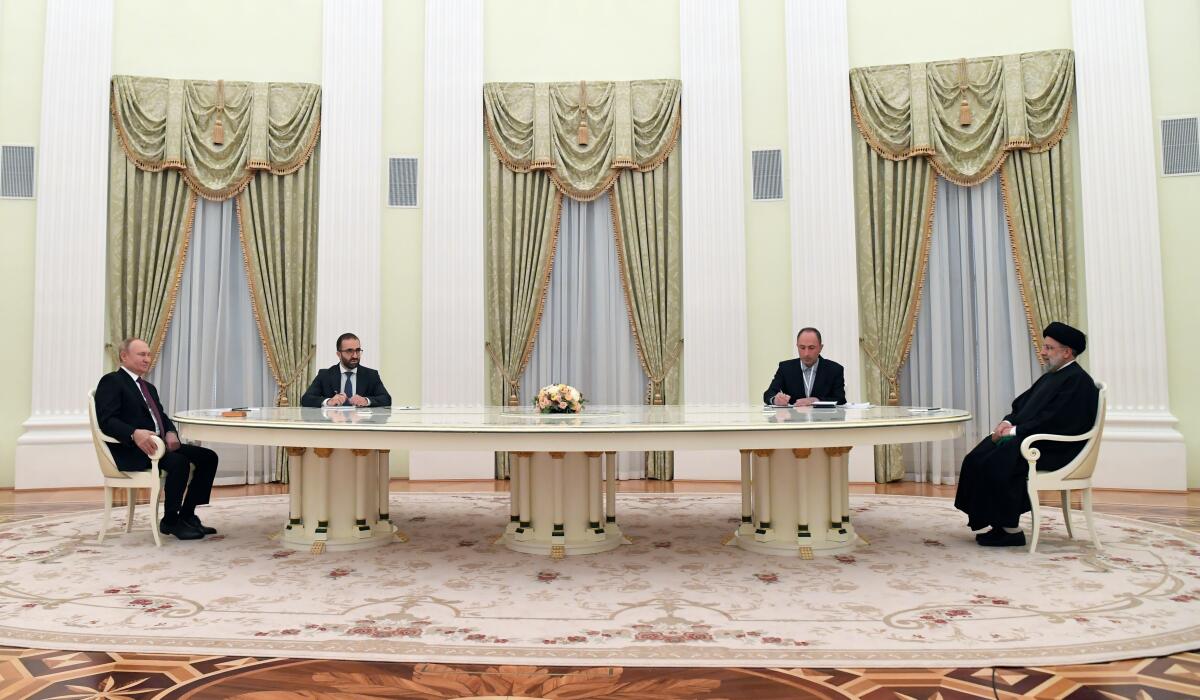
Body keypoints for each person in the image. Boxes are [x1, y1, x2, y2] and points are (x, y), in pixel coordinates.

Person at [954, 322, 1099, 547]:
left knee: (1003, 459)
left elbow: (1056, 420)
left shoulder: (1078, 381)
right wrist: (1006, 422)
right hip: (1035, 438)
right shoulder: (1053, 375)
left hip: (1057, 448)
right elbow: (1023, 404)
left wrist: (1013, 432)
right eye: (1044, 347)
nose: (1043, 352)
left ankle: (1011, 530)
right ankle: (995, 522)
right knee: (980, 455)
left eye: (1049, 348)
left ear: (1067, 352)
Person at [94, 338, 219, 541]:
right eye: (141, 354)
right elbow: (107, 421)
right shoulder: (112, 381)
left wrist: (170, 432)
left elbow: (161, 416)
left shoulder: (148, 387)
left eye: (149, 354)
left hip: (159, 445)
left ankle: (187, 515)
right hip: (134, 449)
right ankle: (170, 521)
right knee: (180, 463)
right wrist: (134, 433)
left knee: (208, 457)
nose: (147, 359)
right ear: (124, 356)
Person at [301, 332, 392, 408]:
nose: (355, 356)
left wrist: (366, 401)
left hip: (361, 425)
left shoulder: (371, 375)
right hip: (334, 425)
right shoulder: (325, 375)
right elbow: (306, 399)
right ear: (339, 354)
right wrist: (329, 401)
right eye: (349, 351)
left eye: (358, 350)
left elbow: (386, 399)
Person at [763, 327, 847, 406]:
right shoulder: (785, 368)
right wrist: (775, 400)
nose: (806, 353)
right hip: (794, 419)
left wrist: (816, 400)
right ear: (797, 346)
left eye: (811, 348)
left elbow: (840, 399)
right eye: (802, 348)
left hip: (823, 419)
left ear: (820, 348)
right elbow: (768, 394)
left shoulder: (834, 369)